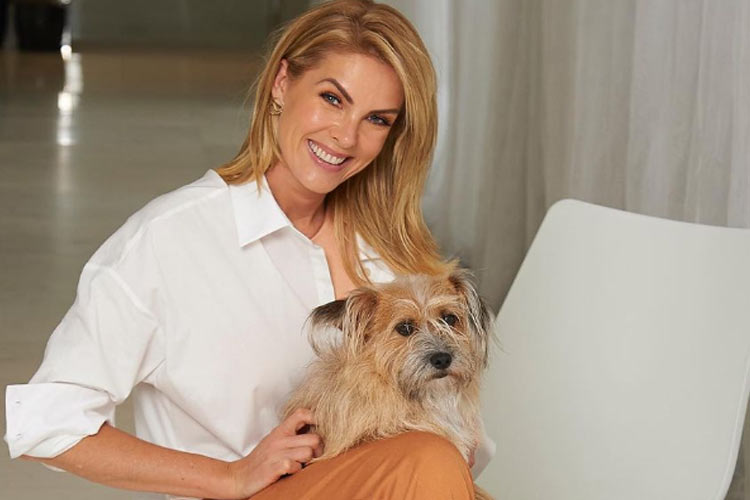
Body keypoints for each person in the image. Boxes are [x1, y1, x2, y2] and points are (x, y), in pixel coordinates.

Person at [4, 1, 490, 498]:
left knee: (433, 461)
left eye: (377, 119)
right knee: (428, 459)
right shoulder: (170, 239)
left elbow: (457, 434)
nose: (346, 136)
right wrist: (228, 475)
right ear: (282, 83)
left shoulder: (396, 258)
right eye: (332, 98)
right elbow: (47, 423)